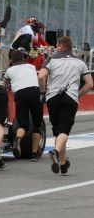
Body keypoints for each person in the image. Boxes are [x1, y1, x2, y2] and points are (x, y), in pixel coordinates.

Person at [38, 36, 93, 175]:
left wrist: (43, 91)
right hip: (70, 98)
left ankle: (63, 164)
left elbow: (41, 76)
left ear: (61, 46)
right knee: (64, 131)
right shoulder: (79, 61)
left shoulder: (51, 59)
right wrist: (78, 95)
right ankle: (55, 152)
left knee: (58, 131)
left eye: (57, 45)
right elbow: (90, 84)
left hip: (52, 98)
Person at [4, 49, 43, 161]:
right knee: (37, 125)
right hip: (35, 92)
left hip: (20, 94)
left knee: (23, 125)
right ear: (23, 59)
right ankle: (34, 154)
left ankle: (18, 139)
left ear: (11, 60)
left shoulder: (9, 70)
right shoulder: (31, 67)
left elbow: (5, 84)